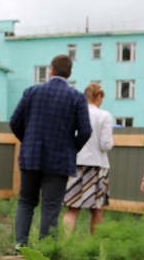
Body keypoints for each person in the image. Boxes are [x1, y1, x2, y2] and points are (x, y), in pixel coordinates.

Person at [10, 55, 92, 247]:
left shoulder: (31, 92)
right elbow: (86, 131)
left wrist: (28, 141)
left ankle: (20, 247)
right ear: (70, 74)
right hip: (59, 161)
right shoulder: (77, 98)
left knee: (26, 202)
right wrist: (71, 148)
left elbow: (15, 122)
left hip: (31, 157)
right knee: (51, 207)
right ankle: (45, 252)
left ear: (51, 70)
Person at [63, 82, 114, 235]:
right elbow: (105, 145)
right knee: (97, 210)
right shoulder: (105, 115)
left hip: (76, 164)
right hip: (97, 166)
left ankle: (64, 245)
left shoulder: (75, 113)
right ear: (99, 97)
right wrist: (112, 142)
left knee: (72, 208)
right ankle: (94, 247)